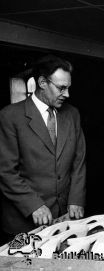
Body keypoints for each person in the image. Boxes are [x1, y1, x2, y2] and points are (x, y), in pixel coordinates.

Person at [0, 55, 86, 241]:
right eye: (61, 88)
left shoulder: (72, 114)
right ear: (42, 83)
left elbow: (79, 162)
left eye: (68, 87)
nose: (67, 94)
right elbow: (6, 171)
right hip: (24, 223)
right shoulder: (10, 116)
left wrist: (76, 199)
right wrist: (33, 205)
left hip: (65, 218)